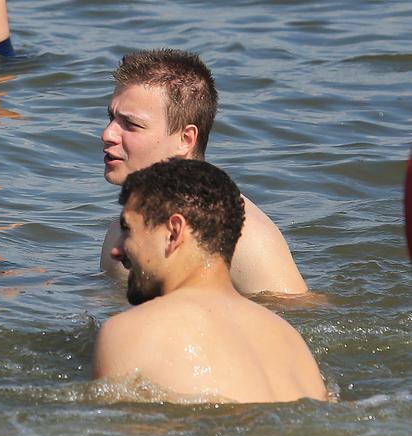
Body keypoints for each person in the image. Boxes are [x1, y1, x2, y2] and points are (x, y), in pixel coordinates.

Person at [94, 159, 326, 403]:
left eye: (127, 230)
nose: (116, 250)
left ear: (174, 232)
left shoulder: (128, 333)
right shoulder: (291, 340)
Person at [99, 50, 306, 295]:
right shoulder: (121, 231)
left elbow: (299, 313)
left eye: (131, 124)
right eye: (111, 117)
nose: (107, 134)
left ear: (185, 139)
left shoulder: (244, 240)